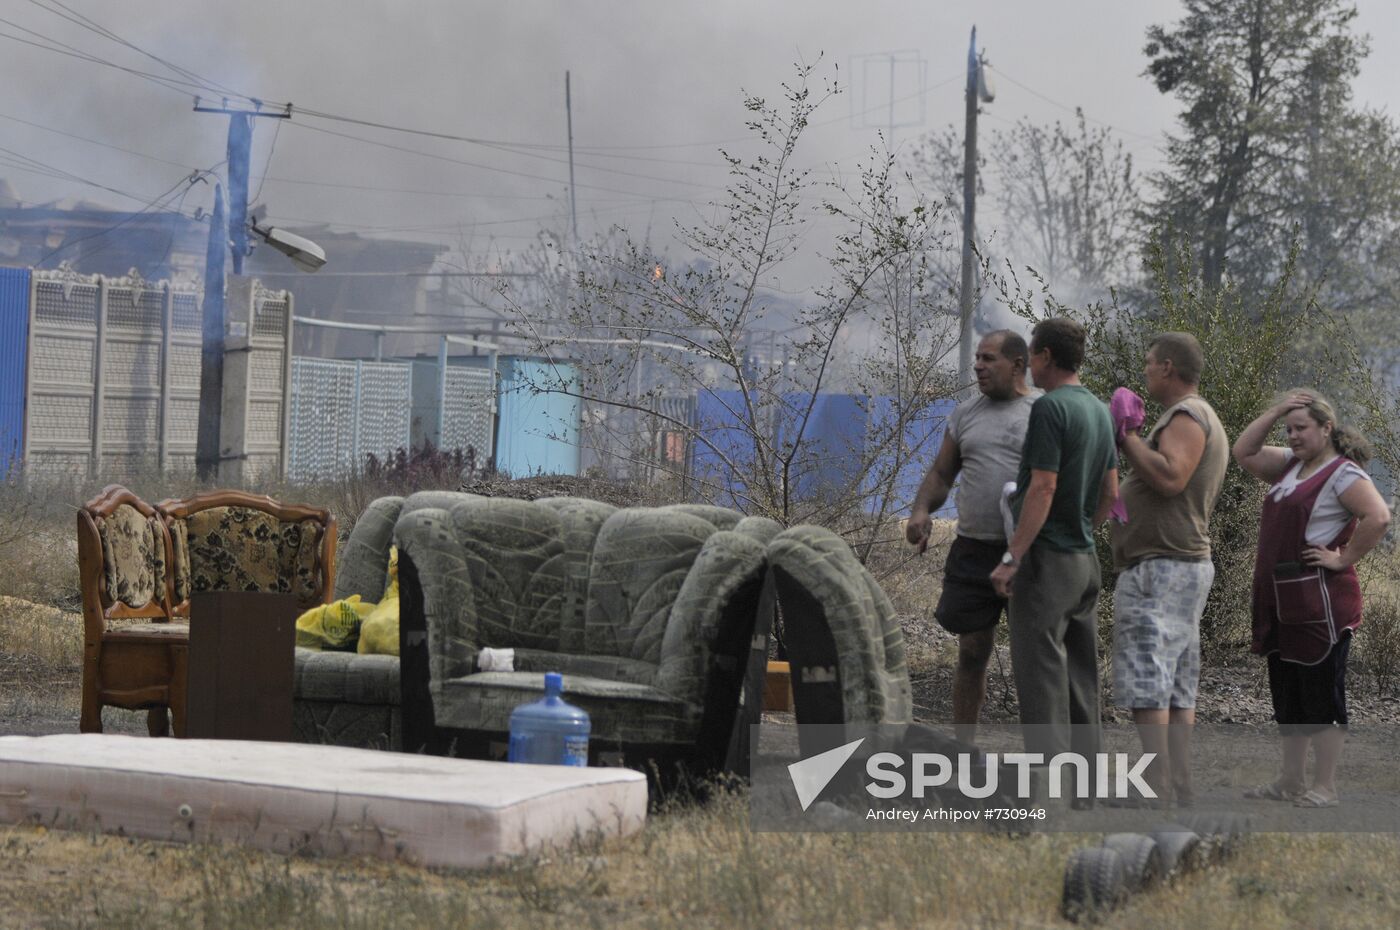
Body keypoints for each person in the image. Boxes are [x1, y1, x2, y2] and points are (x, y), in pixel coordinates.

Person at [1233, 390, 1391, 808]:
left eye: (1301, 427)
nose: (1293, 435)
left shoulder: (1343, 474)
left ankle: (1325, 786)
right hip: (1282, 600)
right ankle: (1290, 780)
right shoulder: (1292, 465)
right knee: (1289, 692)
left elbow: (1378, 516)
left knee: (1321, 693)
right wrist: (1275, 410)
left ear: (1327, 428)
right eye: (1289, 428)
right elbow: (1244, 451)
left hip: (1320, 603)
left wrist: (1344, 558)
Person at [990, 317, 1118, 771]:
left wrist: (1013, 556)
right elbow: (1110, 491)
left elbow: (1042, 487)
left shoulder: (1050, 409)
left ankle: (1050, 787)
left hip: (1048, 563)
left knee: (1041, 674)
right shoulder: (1100, 410)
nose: (1028, 369)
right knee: (1082, 677)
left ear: (1045, 356)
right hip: (1084, 560)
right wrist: (1084, 527)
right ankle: (1084, 788)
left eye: (1032, 357)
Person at [1108, 333, 1229, 807]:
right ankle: (1178, 783)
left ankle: (1155, 786)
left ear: (1168, 368)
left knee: (1149, 676)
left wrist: (1129, 437)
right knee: (1177, 682)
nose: (1144, 372)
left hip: (1164, 566)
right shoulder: (1195, 415)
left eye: (1149, 364)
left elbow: (1170, 477)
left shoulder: (1187, 415)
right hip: (1179, 564)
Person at [906, 330, 1038, 744]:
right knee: (971, 651)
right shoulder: (965, 414)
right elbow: (943, 473)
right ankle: (963, 748)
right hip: (974, 548)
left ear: (1018, 364)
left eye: (989, 358)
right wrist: (922, 510)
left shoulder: (1043, 411)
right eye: (977, 358)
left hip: (1027, 551)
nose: (978, 365)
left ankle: (1045, 755)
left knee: (1034, 659)